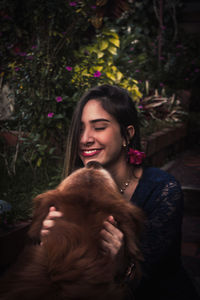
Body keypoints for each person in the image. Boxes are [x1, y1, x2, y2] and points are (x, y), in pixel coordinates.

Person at [41, 84, 199, 299]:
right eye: (80, 128)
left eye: (99, 127)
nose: (84, 138)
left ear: (127, 135)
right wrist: (50, 246)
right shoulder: (74, 191)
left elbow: (151, 278)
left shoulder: (163, 190)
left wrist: (121, 263)